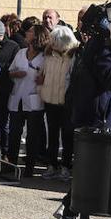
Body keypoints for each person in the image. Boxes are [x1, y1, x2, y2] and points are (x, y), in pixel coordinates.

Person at [56, 3, 111, 219]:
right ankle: (69, 216)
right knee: (91, 170)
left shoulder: (105, 46)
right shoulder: (102, 46)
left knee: (87, 169)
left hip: (101, 114)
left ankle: (67, 210)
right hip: (98, 117)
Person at [7, 19, 48, 177]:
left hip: (34, 100)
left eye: (30, 31)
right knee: (14, 133)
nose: (27, 33)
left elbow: (49, 77)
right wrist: (15, 74)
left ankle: (29, 167)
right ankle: (11, 163)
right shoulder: (20, 53)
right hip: (17, 98)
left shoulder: (44, 57)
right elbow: (10, 72)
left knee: (32, 135)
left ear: (37, 36)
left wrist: (43, 80)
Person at [40, 24, 79, 180]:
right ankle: (52, 164)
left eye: (55, 40)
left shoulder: (74, 57)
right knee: (53, 134)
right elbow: (42, 75)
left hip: (66, 102)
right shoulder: (49, 56)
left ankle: (66, 166)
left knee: (67, 135)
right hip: (50, 100)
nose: (52, 43)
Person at [0, 17, 20, 153]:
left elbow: (13, 67)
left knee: (4, 123)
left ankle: (5, 151)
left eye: (0, 37)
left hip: (4, 89)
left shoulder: (13, 46)